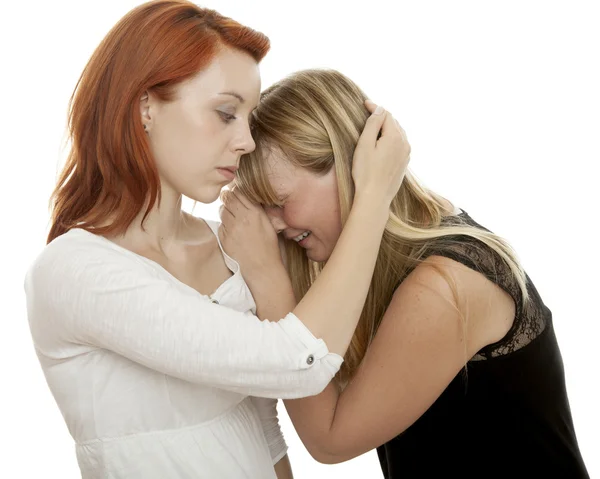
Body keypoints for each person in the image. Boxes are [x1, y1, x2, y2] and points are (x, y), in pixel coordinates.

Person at [23, 2, 410, 478]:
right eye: (227, 113)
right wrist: (373, 195)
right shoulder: (75, 272)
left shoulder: (230, 246)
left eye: (249, 118)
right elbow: (299, 361)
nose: (246, 140)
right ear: (146, 105)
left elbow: (263, 432)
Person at [231, 68, 591, 478]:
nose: (274, 224)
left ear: (352, 167)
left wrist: (266, 277)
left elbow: (329, 440)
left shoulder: (442, 286)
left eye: (279, 202)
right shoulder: (409, 242)